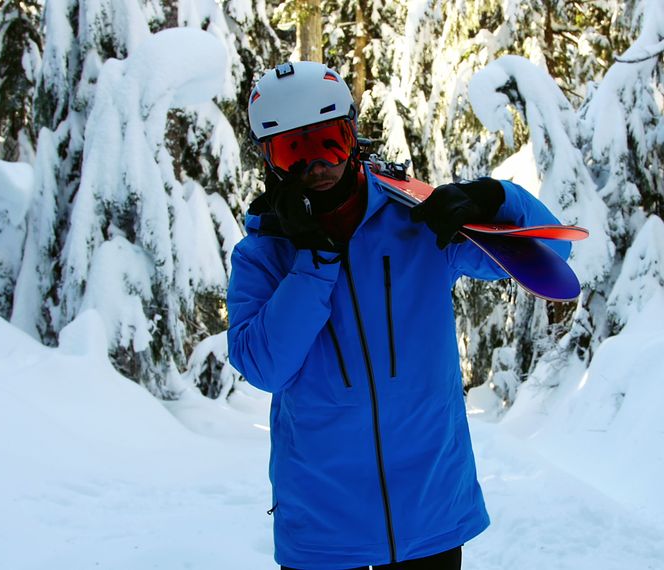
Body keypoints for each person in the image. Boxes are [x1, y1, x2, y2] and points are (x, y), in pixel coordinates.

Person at [226, 61, 572, 570]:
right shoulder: (262, 255)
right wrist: (314, 260)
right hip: (323, 528)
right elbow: (263, 368)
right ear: (269, 159)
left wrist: (498, 198)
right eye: (291, 150)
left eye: (328, 141)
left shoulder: (417, 221)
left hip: (428, 515)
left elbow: (550, 258)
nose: (315, 164)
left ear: (351, 133)